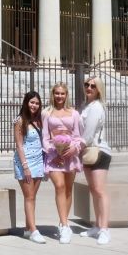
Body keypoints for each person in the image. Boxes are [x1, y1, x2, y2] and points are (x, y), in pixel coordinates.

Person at [42, 82, 83, 244]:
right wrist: (54, 153)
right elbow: (44, 137)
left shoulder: (74, 113)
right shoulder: (46, 113)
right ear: (53, 94)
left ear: (67, 95)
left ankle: (62, 221)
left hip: (70, 155)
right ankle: (65, 226)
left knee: (68, 190)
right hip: (54, 156)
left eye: (62, 93)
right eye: (57, 93)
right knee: (59, 186)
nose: (59, 96)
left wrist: (74, 148)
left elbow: (79, 136)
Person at [79, 76, 113, 245]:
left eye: (93, 86)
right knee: (93, 190)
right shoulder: (86, 106)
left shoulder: (97, 107)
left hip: (98, 151)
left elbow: (89, 132)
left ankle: (105, 229)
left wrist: (77, 147)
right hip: (88, 151)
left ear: (99, 89)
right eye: (87, 85)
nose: (89, 88)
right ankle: (97, 225)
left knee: (100, 190)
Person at [13, 91, 46, 244]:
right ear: (26, 103)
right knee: (29, 197)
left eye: (37, 103)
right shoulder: (20, 121)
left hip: (39, 161)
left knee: (33, 196)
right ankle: (34, 231)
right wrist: (25, 167)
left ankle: (27, 228)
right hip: (24, 162)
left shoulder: (40, 120)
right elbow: (19, 145)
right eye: (31, 102)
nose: (34, 105)